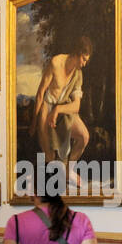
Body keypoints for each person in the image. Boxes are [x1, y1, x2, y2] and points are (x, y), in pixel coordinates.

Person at [32, 35, 92, 183]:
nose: (84, 64)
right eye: (83, 59)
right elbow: (40, 93)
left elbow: (76, 106)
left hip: (63, 110)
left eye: (86, 61)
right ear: (77, 53)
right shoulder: (56, 62)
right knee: (50, 156)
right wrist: (34, 121)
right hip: (47, 107)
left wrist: (58, 109)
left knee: (84, 137)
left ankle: (69, 171)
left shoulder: (78, 74)